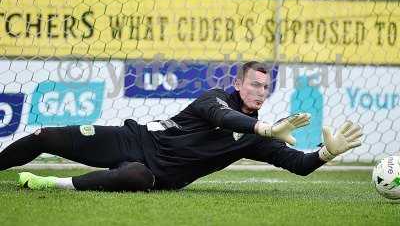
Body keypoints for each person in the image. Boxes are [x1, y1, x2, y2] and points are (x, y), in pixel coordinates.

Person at [0, 61, 363, 192]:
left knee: (136, 178)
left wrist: (327, 152)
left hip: (157, 173)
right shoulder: (215, 99)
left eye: (266, 87)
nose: (260, 91)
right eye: (254, 84)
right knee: (43, 135)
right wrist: (265, 128)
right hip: (131, 138)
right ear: (239, 84)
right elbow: (225, 118)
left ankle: (52, 184)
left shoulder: (254, 137)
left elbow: (298, 166)